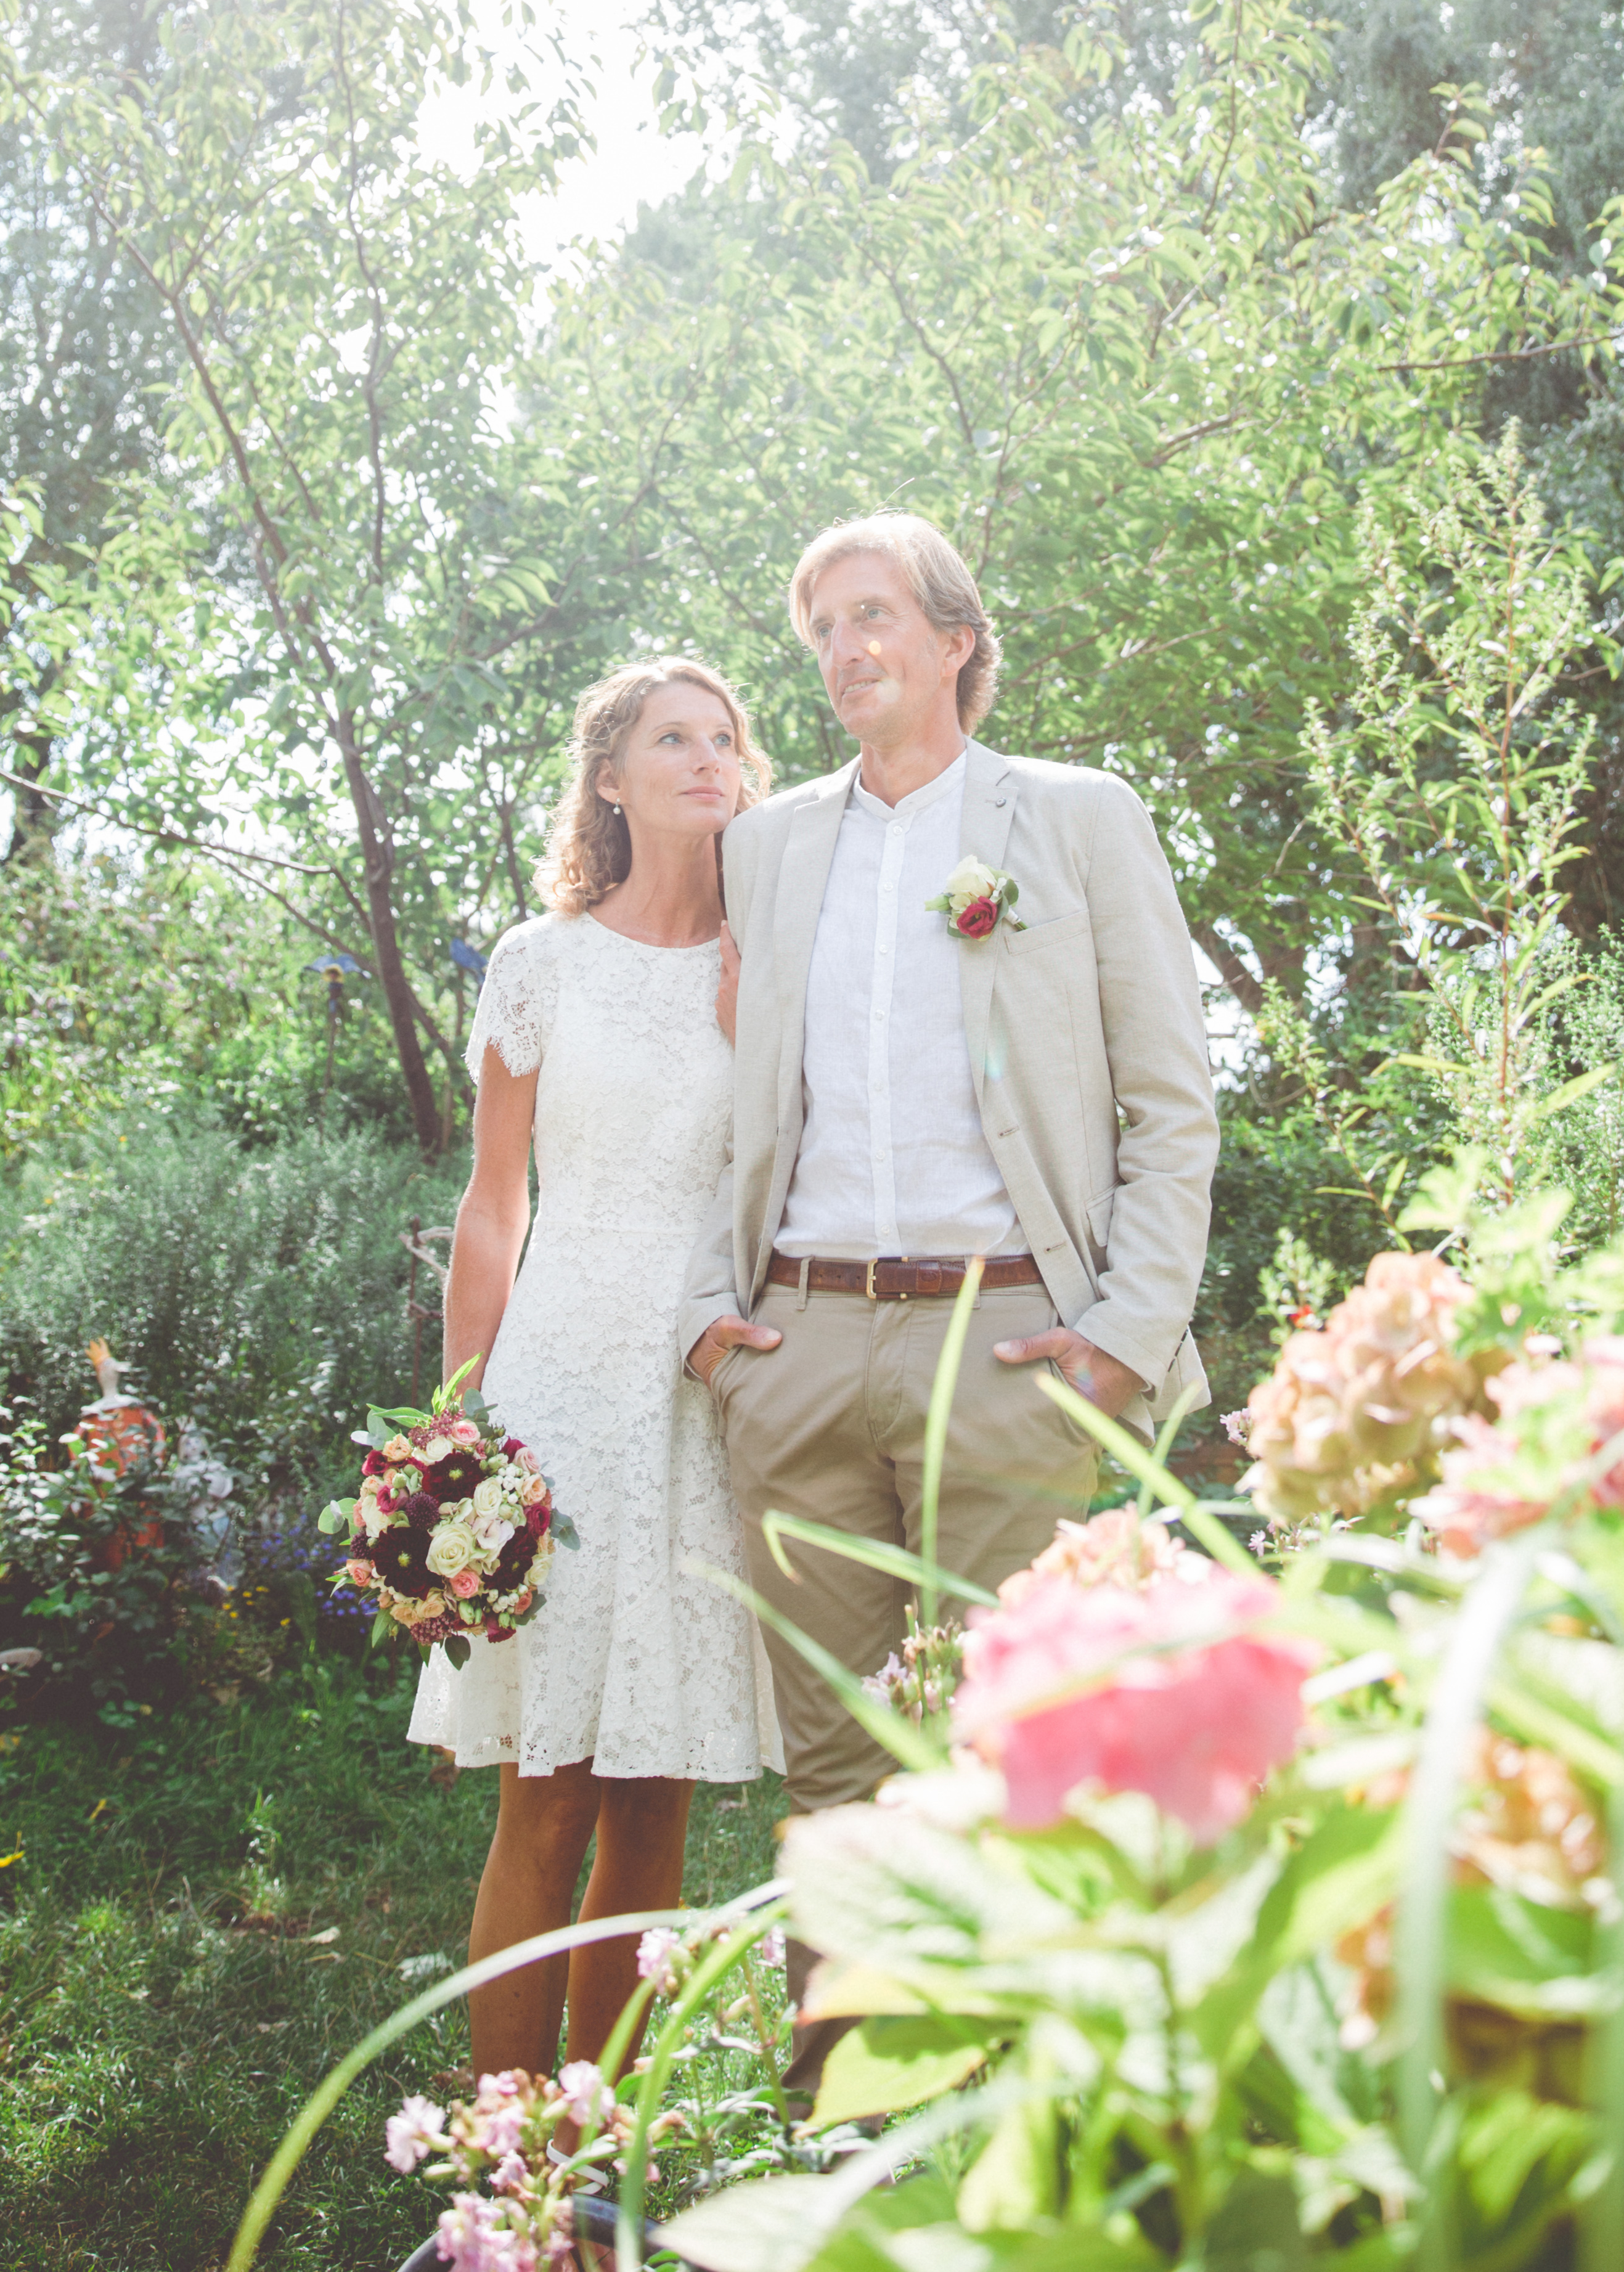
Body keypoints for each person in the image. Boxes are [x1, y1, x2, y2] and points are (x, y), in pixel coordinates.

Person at [679, 513, 1218, 2086]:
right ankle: (853, 2139)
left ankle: (1049, 2134)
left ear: (956, 640)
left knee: (1028, 1752)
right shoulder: (766, 844)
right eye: (820, 629)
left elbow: (1171, 1104)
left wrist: (1122, 1337)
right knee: (839, 1777)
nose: (846, 650)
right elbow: (722, 1095)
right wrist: (718, 1319)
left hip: (1017, 1345)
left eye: (873, 616)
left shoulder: (1072, 816)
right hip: (798, 1346)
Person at [411, 660, 780, 2082]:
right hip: (555, 1390)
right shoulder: (540, 960)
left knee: (654, 1796)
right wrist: (453, 1434)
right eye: (668, 737)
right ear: (609, 780)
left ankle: (594, 2154)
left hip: (697, 1397)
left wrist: (759, 1037)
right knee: (545, 1792)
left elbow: (792, 1177)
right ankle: (497, 2163)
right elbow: (494, 1202)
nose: (705, 755)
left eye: (724, 736)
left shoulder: (776, 960)